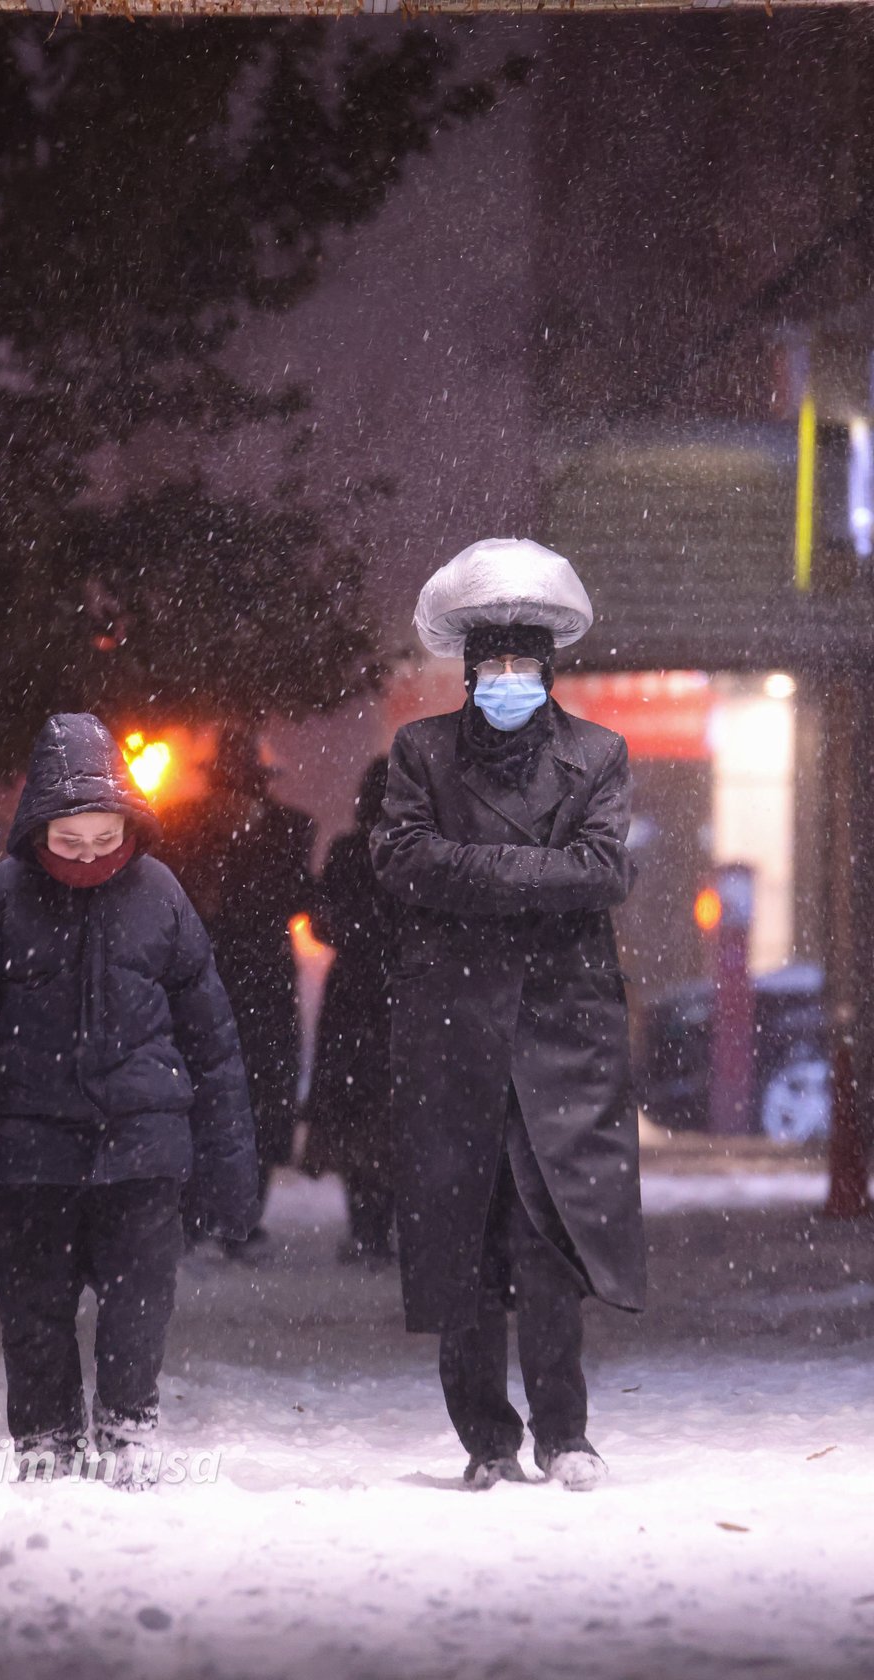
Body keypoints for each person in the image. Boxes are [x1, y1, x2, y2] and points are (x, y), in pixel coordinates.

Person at [0, 713, 258, 1488]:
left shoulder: (160, 896)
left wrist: (234, 1180)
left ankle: (128, 1427)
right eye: (71, 843)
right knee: (33, 1312)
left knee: (139, 1307)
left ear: (128, 824)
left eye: (105, 840)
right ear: (40, 829)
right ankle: (45, 1439)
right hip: (29, 1153)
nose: (90, 857)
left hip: (142, 1148)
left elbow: (214, 1044)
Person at [370, 538, 645, 1493]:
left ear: (550, 671)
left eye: (527, 665)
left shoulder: (599, 755)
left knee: (552, 1241)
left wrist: (474, 877)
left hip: (564, 1035)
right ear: (469, 671)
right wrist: (540, 880)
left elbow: (606, 871)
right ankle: (486, 1441)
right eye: (494, 665)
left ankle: (567, 1434)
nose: (510, 681)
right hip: (452, 1031)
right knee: (463, 1240)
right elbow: (401, 861)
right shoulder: (421, 752)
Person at [161, 725, 313, 1254]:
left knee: (227, 1096)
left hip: (222, 978)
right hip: (243, 978)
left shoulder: (184, 828)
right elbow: (297, 900)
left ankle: (211, 1214)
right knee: (249, 1097)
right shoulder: (287, 829)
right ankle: (228, 1216)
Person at [303, 756, 396, 1264]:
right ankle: (391, 1228)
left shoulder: (346, 852)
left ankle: (366, 1229)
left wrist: (353, 935)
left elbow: (322, 923)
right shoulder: (419, 853)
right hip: (401, 996)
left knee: (354, 1115)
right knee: (396, 1115)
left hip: (353, 995)